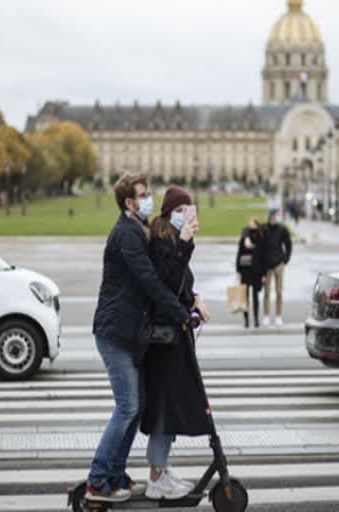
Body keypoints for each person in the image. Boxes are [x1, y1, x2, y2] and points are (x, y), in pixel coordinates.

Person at [87, 173, 191, 503]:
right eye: (144, 195)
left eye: (149, 193)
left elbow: (160, 274)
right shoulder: (127, 235)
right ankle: (98, 479)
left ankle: (116, 473)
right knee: (128, 406)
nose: (149, 199)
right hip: (116, 332)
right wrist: (179, 312)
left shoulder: (138, 230)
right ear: (129, 203)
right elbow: (149, 280)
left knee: (137, 405)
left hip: (129, 333)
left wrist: (189, 299)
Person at [141, 185, 212, 500]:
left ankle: (162, 469)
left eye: (190, 209)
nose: (188, 215)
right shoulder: (162, 242)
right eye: (183, 210)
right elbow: (167, 281)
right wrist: (185, 244)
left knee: (169, 406)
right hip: (163, 341)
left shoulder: (172, 239)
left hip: (175, 337)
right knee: (163, 407)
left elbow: (184, 281)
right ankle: (156, 476)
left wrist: (195, 298)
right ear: (170, 213)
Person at [262, 207, 292, 327]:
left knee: (279, 292)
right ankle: (266, 315)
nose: (274, 217)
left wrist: (285, 259)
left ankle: (278, 315)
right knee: (266, 292)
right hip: (267, 266)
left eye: (275, 215)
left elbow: (288, 244)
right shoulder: (264, 229)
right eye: (272, 215)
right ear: (269, 216)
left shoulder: (282, 229)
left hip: (279, 264)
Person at [235, 218, 266, 328]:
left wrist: (264, 274)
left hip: (256, 271)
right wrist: (238, 270)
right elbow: (239, 254)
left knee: (255, 296)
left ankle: (256, 319)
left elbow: (263, 256)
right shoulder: (244, 236)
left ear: (257, 225)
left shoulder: (260, 237)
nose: (251, 226)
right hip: (245, 270)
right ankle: (247, 320)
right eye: (250, 224)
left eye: (253, 224)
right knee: (245, 296)